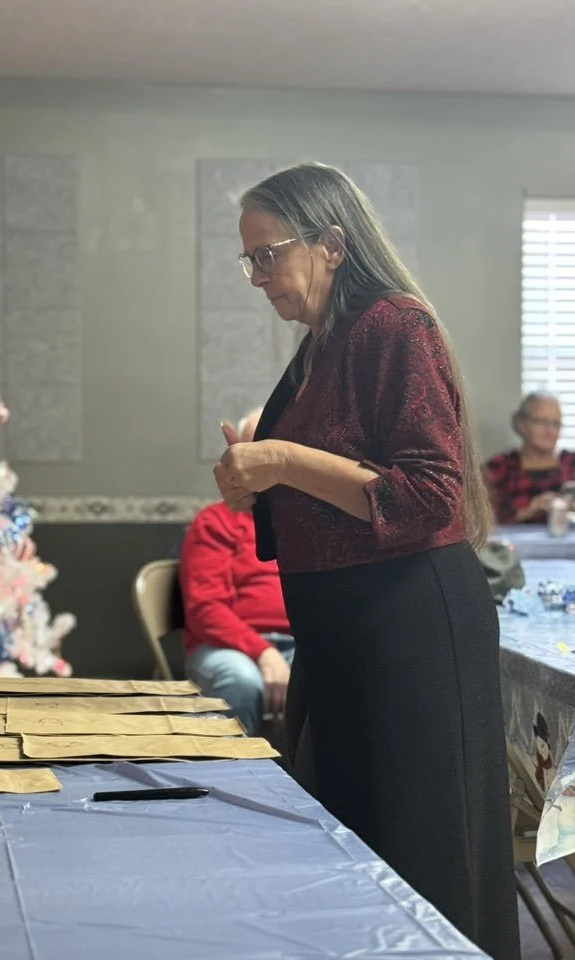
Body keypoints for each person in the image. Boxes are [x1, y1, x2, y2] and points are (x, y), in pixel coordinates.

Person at [214, 164, 520, 959]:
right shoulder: (323, 346)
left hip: (408, 630)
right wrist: (257, 480)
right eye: (248, 260)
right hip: (346, 631)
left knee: (421, 868)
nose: (259, 278)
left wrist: (279, 458)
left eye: (269, 255)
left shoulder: (395, 325)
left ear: (334, 244)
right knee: (357, 861)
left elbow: (426, 496)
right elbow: (333, 487)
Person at [181, 409, 294, 736]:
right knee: (240, 681)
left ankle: (308, 786)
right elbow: (206, 610)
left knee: (336, 678)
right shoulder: (214, 522)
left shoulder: (305, 528)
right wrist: (264, 652)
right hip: (224, 648)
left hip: (300, 643)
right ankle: (236, 781)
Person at [486, 392, 575, 524]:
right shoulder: (498, 468)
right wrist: (529, 510)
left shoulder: (571, 464)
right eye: (541, 422)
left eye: (556, 424)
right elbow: (481, 522)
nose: (550, 431)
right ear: (521, 423)